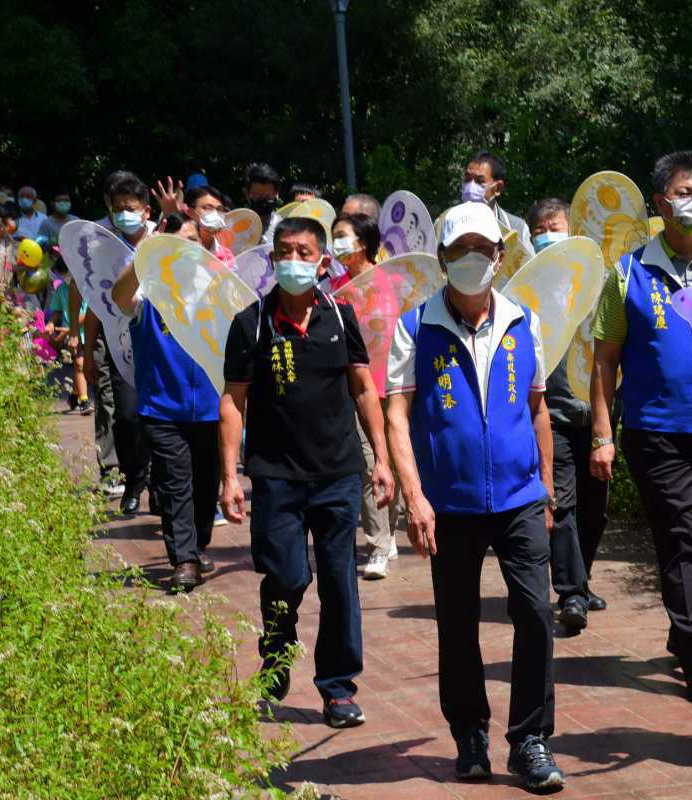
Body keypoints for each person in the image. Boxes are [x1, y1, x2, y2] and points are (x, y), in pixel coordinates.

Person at [385, 202, 564, 790]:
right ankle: (470, 734)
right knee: (457, 623)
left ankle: (531, 739)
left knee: (535, 612)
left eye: (481, 250)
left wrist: (546, 484)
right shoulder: (416, 327)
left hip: (518, 496)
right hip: (450, 503)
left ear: (500, 256)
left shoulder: (523, 320)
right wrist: (415, 496)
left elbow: (538, 407)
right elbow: (397, 414)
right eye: (459, 251)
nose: (471, 261)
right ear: (442, 260)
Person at [220, 216, 393, 729]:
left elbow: (364, 389)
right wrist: (230, 475)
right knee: (287, 575)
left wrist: (380, 458)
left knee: (340, 582)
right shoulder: (250, 323)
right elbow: (233, 401)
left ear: (321, 263)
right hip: (275, 476)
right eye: (284, 251)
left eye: (303, 252)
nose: (293, 260)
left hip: (338, 472)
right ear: (273, 260)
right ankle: (277, 652)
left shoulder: (340, 318)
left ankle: (338, 688)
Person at [589, 150, 692, 698]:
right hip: (656, 431)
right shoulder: (626, 272)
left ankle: (684, 634)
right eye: (683, 192)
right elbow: (605, 360)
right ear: (661, 202)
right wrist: (603, 434)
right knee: (682, 533)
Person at [112, 212, 223, 591]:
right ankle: (185, 560)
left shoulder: (217, 289)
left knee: (206, 483)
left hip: (211, 407)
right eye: (176, 241)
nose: (186, 247)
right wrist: (146, 251)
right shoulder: (149, 290)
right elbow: (119, 296)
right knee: (176, 482)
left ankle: (199, 543)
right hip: (161, 407)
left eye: (193, 239)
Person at [526, 198, 611, 633]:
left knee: (596, 508)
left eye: (553, 225)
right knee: (563, 504)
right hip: (552, 414)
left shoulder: (597, 281)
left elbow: (609, 349)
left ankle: (582, 578)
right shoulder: (528, 290)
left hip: (596, 414)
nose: (546, 233)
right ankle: (570, 593)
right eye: (539, 227)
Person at [330, 213, 404, 579]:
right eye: (334, 237)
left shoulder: (393, 279)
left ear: (363, 242)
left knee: (397, 462)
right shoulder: (333, 291)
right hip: (359, 391)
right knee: (368, 462)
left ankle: (389, 532)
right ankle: (377, 544)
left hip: (399, 386)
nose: (337, 244)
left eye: (342, 237)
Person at [82, 172, 152, 514]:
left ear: (146, 211)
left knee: (159, 417)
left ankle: (159, 482)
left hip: (160, 344)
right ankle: (134, 476)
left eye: (132, 208)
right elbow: (96, 303)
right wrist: (87, 353)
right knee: (126, 416)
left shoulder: (160, 240)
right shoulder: (104, 248)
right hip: (119, 342)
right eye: (119, 208)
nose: (125, 214)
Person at [46, 254, 91, 414]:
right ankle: (84, 401)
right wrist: (51, 323)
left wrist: (70, 328)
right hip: (72, 336)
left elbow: (89, 314)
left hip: (87, 332)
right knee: (79, 365)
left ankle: (74, 394)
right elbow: (57, 311)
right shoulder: (61, 290)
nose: (65, 277)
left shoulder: (87, 288)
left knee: (85, 367)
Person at [460, 151, 532, 246]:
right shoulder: (445, 223)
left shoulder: (517, 228)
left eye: (480, 181)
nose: (471, 186)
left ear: (498, 188)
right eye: (467, 179)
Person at [244, 162, 282, 244]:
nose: (264, 201)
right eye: (258, 196)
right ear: (248, 194)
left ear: (277, 194)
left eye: (268, 196)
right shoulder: (236, 224)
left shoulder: (283, 228)